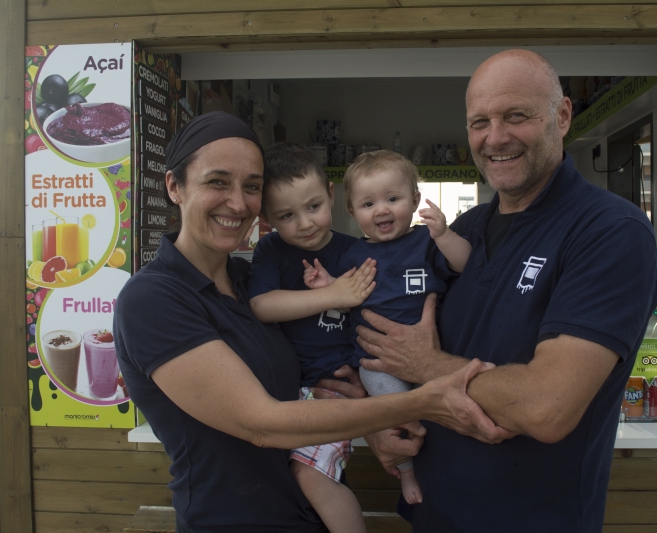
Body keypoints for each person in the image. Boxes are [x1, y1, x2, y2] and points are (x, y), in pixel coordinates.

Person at [113, 112, 509, 533]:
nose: (237, 202)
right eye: (217, 181)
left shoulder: (251, 281)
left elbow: (310, 378)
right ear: (174, 187)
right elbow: (262, 423)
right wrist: (425, 399)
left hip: (314, 515)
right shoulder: (152, 299)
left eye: (250, 187)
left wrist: (363, 403)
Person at [347, 50, 657, 531]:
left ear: (561, 115)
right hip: (433, 513)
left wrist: (427, 365)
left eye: (516, 116)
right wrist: (378, 420)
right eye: (480, 122)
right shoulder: (462, 232)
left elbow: (547, 407)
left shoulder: (609, 231)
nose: (496, 137)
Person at [325, 150, 471, 503]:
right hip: (376, 363)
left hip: (432, 355)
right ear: (352, 211)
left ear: (416, 200)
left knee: (452, 407)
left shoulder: (426, 241)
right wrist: (323, 286)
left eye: (393, 198)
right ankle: (406, 473)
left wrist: (444, 234)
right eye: (368, 203)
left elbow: (466, 263)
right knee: (397, 417)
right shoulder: (353, 256)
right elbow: (341, 299)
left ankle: (453, 473)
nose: (382, 210)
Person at [247, 142, 370, 533]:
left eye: (313, 206)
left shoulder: (358, 253)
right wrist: (334, 295)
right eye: (286, 215)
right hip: (288, 394)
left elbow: (379, 315)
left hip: (336, 387)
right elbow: (262, 306)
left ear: (332, 195)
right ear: (267, 218)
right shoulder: (270, 251)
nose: (304, 223)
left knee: (310, 475)